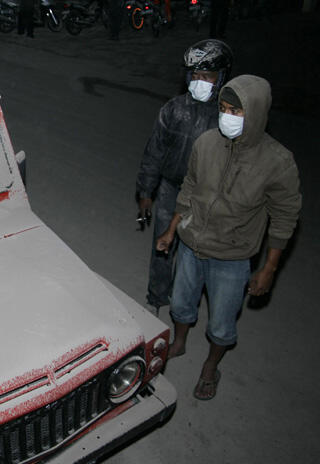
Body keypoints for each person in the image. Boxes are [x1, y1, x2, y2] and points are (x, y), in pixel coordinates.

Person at [156, 74, 301, 400]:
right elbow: (189, 188)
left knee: (221, 324)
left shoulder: (277, 162)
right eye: (222, 108)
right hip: (192, 245)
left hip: (232, 258)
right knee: (180, 305)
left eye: (236, 112)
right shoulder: (207, 142)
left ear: (257, 113)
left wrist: (269, 268)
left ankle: (211, 366)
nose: (226, 117)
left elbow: (285, 217)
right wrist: (171, 230)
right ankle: (179, 342)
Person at [136, 39, 233, 314]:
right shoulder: (174, 109)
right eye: (195, 75)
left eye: (207, 76)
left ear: (222, 77)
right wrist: (145, 192)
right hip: (170, 189)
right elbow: (153, 152)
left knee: (194, 256)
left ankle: (182, 309)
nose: (199, 81)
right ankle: (156, 299)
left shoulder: (226, 118)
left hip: (205, 198)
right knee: (162, 249)